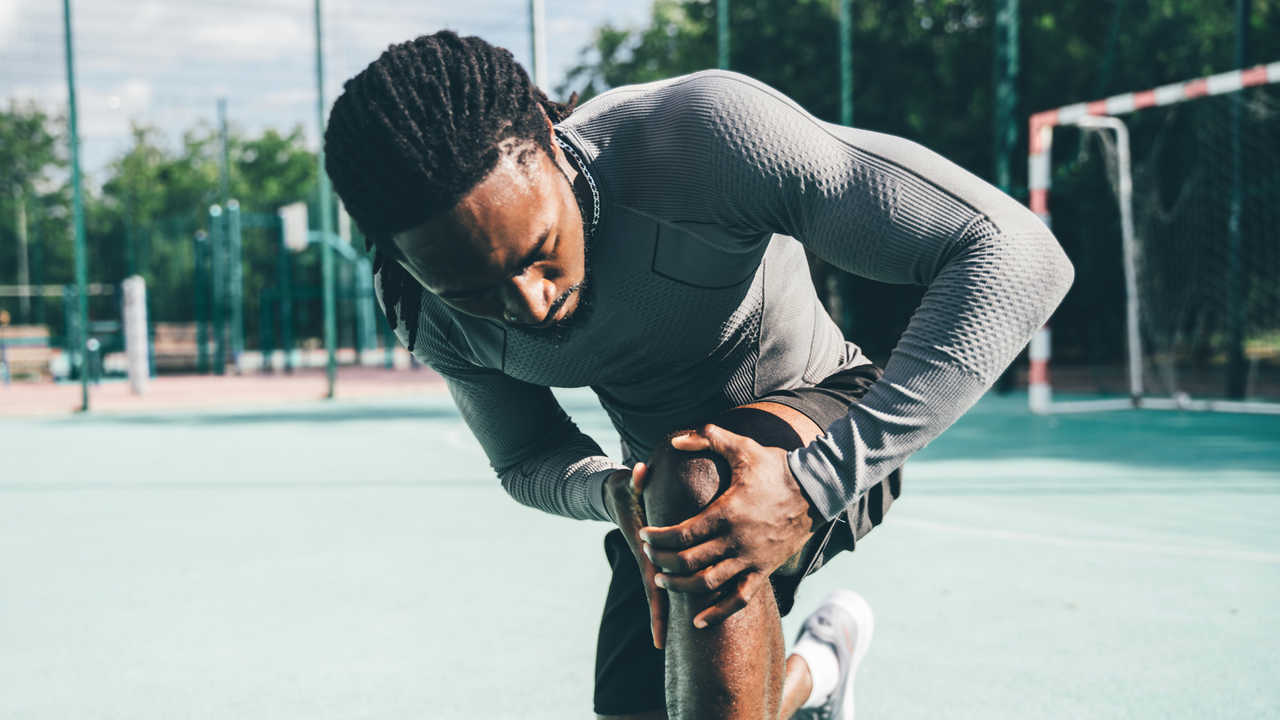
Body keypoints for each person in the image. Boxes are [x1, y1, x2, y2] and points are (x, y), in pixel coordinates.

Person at [323, 31, 1073, 720]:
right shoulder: (427, 315)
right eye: (473, 290)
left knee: (692, 481)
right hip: (669, 498)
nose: (530, 303)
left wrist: (818, 481)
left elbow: (1013, 252)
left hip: (833, 426)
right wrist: (611, 492)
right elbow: (524, 458)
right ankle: (821, 667)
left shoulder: (702, 136)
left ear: (549, 143)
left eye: (538, 250)